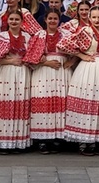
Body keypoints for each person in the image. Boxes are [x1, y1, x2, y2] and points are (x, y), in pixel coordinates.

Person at [58, 6, 99, 156]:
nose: (97, 20)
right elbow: (63, 44)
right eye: (94, 17)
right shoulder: (86, 31)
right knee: (88, 101)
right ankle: (83, 141)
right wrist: (81, 55)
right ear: (89, 18)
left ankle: (95, 141)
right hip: (89, 68)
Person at [23, 9, 73, 154]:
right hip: (43, 72)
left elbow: (77, 50)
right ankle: (42, 139)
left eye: (55, 18)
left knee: (61, 102)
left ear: (59, 20)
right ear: (45, 20)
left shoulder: (66, 34)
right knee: (43, 102)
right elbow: (29, 56)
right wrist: (46, 63)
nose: (52, 21)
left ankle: (58, 138)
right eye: (50, 18)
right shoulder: (39, 35)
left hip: (62, 72)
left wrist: (71, 61)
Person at [0, 10, 32, 152]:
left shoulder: (27, 37)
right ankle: (2, 142)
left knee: (20, 105)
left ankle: (18, 142)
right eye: (11, 19)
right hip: (4, 73)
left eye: (17, 19)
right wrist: (10, 61)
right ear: (7, 21)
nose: (14, 22)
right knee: (4, 105)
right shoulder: (2, 37)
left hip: (22, 73)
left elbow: (33, 55)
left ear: (22, 22)